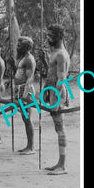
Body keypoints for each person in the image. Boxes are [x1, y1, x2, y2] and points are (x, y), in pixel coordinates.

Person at [41, 24, 71, 175]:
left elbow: (61, 79)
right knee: (57, 128)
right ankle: (59, 163)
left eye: (50, 35)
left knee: (60, 128)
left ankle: (62, 165)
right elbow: (52, 71)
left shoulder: (61, 54)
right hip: (52, 92)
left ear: (58, 37)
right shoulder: (55, 52)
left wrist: (57, 100)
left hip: (57, 93)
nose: (47, 38)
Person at [14, 36, 36, 154]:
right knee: (24, 118)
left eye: (19, 45)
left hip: (25, 91)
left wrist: (24, 95)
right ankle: (28, 145)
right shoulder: (23, 58)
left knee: (27, 118)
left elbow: (29, 79)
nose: (17, 47)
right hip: (19, 89)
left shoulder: (29, 59)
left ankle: (31, 147)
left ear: (26, 46)